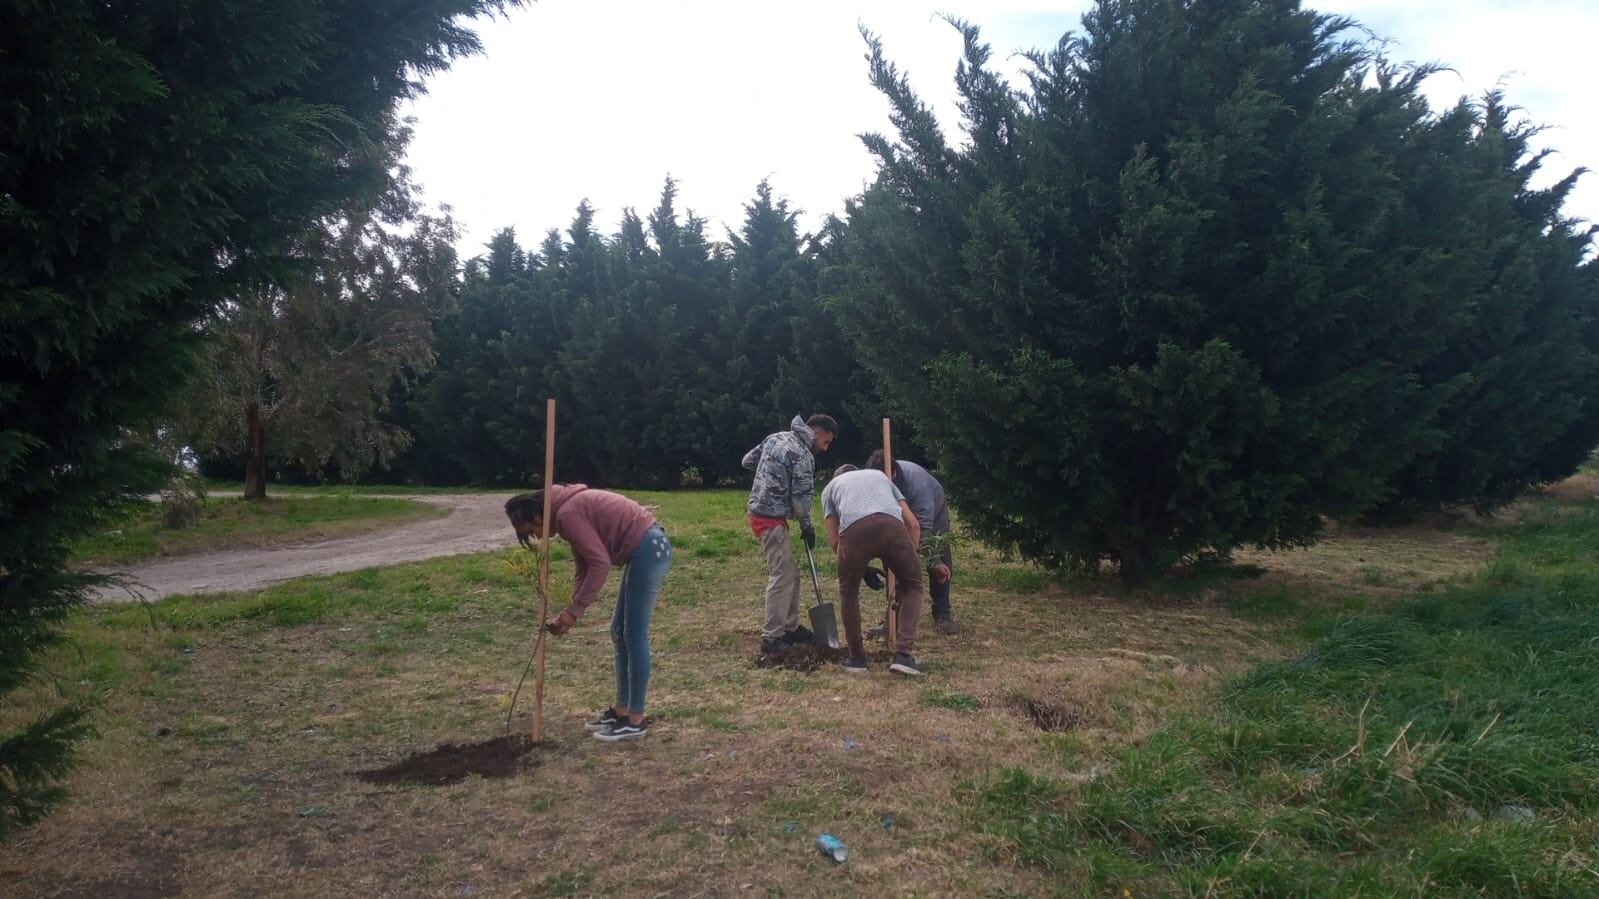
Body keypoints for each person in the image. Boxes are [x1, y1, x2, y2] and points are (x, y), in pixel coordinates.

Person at [504, 485, 672, 743]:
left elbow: (599, 563)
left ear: (538, 516)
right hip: (643, 550)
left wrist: (575, 611)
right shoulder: (566, 512)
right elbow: (583, 562)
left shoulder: (567, 514)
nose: (538, 537)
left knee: (634, 634)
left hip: (649, 549)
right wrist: (572, 605)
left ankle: (635, 720)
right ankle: (621, 711)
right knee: (619, 631)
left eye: (532, 531)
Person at [742, 413, 838, 654]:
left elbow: (747, 461)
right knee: (782, 575)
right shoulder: (803, 456)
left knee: (791, 573)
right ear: (815, 433)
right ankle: (772, 637)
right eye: (826, 442)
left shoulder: (775, 438)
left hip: (764, 512)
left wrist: (769, 477)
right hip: (768, 517)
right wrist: (807, 526)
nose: (825, 449)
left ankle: (789, 626)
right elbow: (801, 501)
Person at [820, 464, 926, 676]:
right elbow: (913, 524)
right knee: (914, 586)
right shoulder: (880, 476)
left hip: (854, 533)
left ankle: (857, 658)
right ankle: (903, 656)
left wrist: (861, 567)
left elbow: (835, 542)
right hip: (891, 527)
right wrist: (907, 564)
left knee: (848, 592)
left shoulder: (830, 489)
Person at [866, 450, 958, 635]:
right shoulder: (874, 478)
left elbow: (922, 525)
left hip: (932, 513)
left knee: (937, 553)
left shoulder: (917, 483)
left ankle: (942, 614)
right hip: (899, 516)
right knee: (894, 563)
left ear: (893, 473)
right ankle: (892, 620)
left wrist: (930, 560)